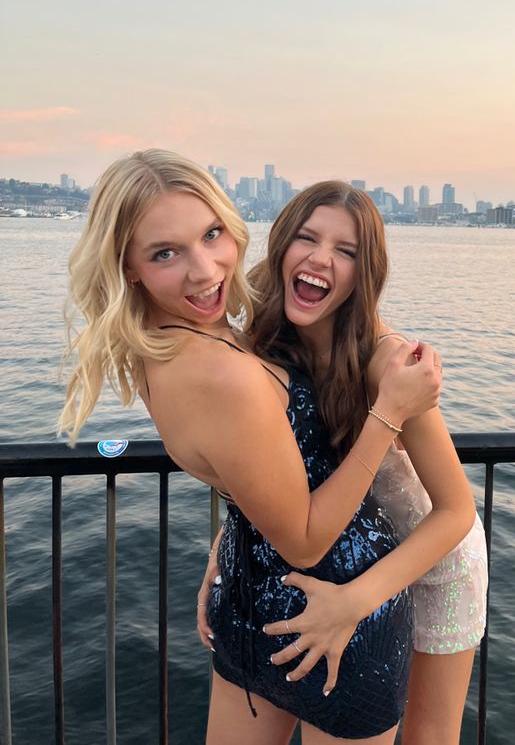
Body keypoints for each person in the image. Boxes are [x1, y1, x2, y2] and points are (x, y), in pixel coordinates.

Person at [59, 149, 443, 745]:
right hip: (336, 617)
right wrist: (388, 410)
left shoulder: (174, 343)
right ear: (126, 266)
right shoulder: (221, 370)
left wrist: (228, 539)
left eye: (212, 234)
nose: (206, 270)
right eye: (165, 252)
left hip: (257, 604)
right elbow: (307, 540)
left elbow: (254, 471)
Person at [197, 181, 488, 745]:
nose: (320, 259)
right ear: (281, 248)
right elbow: (278, 478)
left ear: (363, 273)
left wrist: (351, 604)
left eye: (346, 251)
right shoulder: (265, 343)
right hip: (347, 550)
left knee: (429, 734)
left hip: (434, 558)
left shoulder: (386, 364)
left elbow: (455, 511)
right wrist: (220, 553)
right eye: (307, 238)